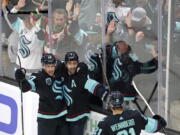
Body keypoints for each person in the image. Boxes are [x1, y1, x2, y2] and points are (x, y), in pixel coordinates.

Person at [14, 53, 69, 135]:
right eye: (48, 66)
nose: (51, 69)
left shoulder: (60, 70)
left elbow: (70, 63)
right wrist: (21, 79)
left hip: (62, 118)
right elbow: (26, 87)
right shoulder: (38, 77)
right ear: (43, 66)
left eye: (52, 66)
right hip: (46, 120)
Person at [62, 51, 109, 135]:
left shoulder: (81, 75)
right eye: (70, 63)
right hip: (66, 116)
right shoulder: (62, 74)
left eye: (74, 63)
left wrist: (104, 94)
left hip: (78, 116)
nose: (72, 66)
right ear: (65, 64)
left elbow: (92, 85)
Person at [93, 91, 167, 135]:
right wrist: (159, 121)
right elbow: (155, 127)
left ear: (110, 105)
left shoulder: (105, 123)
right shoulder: (135, 115)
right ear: (122, 102)